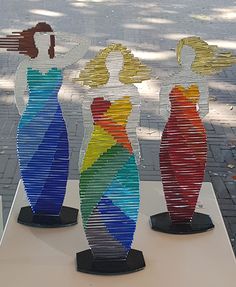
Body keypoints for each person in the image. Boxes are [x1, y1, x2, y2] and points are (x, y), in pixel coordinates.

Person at [0, 22, 89, 221]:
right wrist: (29, 119)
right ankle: (38, 207)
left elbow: (84, 43)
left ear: (50, 40)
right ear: (33, 40)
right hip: (32, 126)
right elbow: (18, 96)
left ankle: (52, 207)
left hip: (55, 126)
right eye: (38, 37)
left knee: (56, 165)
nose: (42, 41)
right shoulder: (26, 66)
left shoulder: (58, 62)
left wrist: (59, 34)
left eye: (46, 37)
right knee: (34, 167)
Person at [76, 43, 150, 272]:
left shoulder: (132, 92)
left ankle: (119, 250)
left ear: (124, 64)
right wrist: (81, 157)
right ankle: (100, 248)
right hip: (96, 154)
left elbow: (132, 129)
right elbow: (88, 131)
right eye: (110, 60)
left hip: (121, 154)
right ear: (104, 64)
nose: (114, 64)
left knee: (123, 200)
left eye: (118, 60)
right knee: (94, 201)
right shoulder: (90, 94)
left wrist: (136, 154)